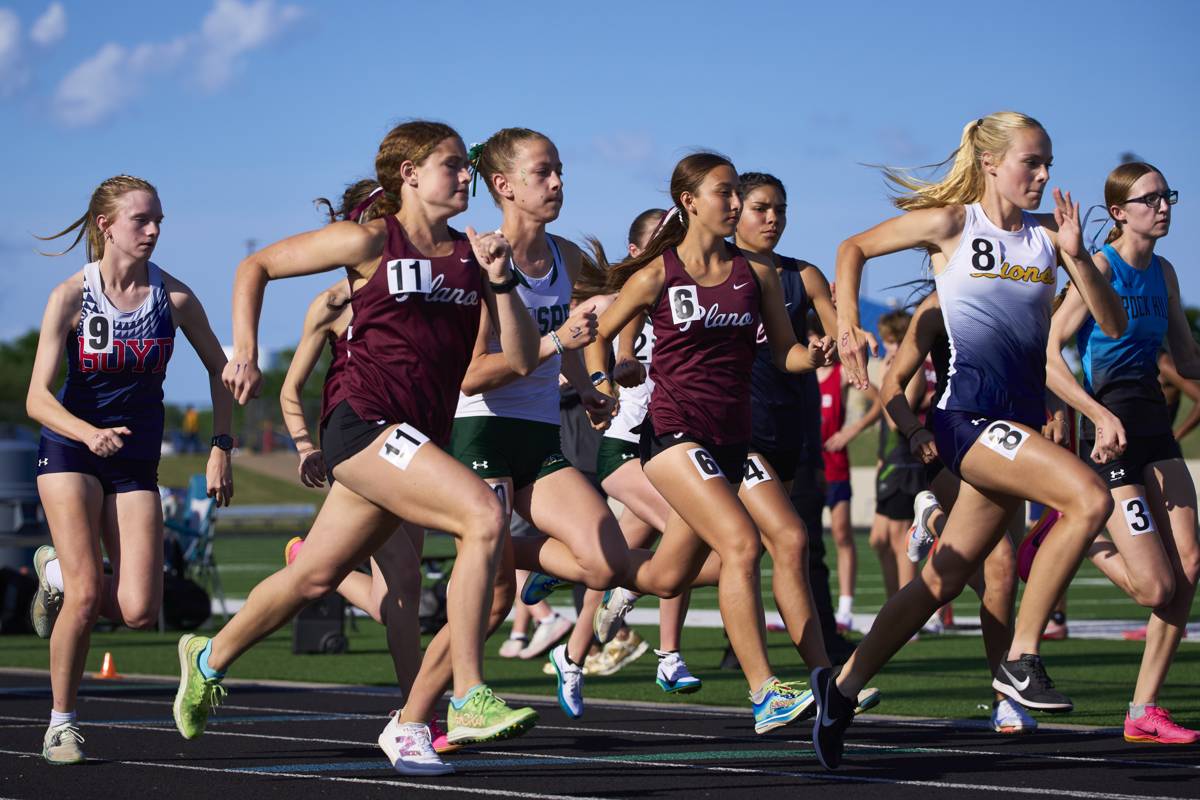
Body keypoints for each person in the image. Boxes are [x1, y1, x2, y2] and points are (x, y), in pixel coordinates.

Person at [171, 120, 547, 777]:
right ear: (409, 175)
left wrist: (503, 281)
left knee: (313, 576)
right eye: (453, 165)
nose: (467, 178)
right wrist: (247, 348)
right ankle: (466, 696)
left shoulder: (470, 255)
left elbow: (516, 360)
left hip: (411, 439)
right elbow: (255, 266)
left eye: (468, 168)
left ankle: (207, 658)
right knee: (483, 514)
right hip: (361, 424)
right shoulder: (371, 239)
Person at [814, 111, 1126, 770]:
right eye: (1029, 163)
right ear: (990, 163)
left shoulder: (1050, 237)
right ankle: (1019, 658)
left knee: (944, 577)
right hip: (967, 421)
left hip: (1018, 424)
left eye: (1048, 164)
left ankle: (839, 692)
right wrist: (848, 326)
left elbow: (1110, 318)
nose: (1042, 176)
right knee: (1089, 499)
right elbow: (852, 248)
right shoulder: (955, 224)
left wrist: (1077, 258)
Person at [398, 127, 646, 727]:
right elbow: (473, 376)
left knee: (604, 562)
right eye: (544, 173)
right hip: (479, 432)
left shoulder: (569, 256)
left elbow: (579, 335)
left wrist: (588, 383)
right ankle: (412, 721)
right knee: (488, 608)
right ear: (504, 186)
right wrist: (558, 342)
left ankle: (502, 553)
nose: (558, 182)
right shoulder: (481, 262)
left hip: (540, 436)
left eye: (560, 169)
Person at [588, 152, 836, 734]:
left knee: (666, 577)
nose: (732, 205)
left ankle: (589, 570)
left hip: (734, 440)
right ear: (689, 202)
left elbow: (785, 352)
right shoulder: (658, 275)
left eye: (734, 195)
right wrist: (605, 381)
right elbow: (596, 334)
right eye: (723, 194)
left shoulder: (760, 277)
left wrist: (814, 356)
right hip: (674, 437)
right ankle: (764, 692)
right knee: (743, 543)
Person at [26, 175, 234, 764]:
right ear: (106, 225)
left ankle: (57, 575)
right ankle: (61, 724)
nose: (153, 230)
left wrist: (221, 445)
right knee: (90, 593)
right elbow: (37, 398)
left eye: (159, 220)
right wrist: (86, 431)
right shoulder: (71, 295)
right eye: (141, 220)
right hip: (70, 448)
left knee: (141, 610)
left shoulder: (176, 298)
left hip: (136, 457)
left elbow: (223, 373)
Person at [1045, 162, 1199, 744]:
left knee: (1188, 565)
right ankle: (1082, 535)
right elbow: (1048, 352)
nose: (1163, 207)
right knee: (1156, 588)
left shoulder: (1164, 271)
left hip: (1155, 429)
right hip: (1108, 435)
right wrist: (1094, 414)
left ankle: (1143, 709)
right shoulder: (1101, 267)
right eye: (1150, 199)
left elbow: (1185, 361)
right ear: (1118, 212)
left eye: (1168, 197)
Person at [276, 179, 431, 720]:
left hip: (413, 447)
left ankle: (321, 565)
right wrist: (302, 447)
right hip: (362, 447)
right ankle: (420, 713)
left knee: (399, 602)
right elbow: (290, 388)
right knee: (408, 587)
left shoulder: (416, 294)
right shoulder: (331, 304)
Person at [882, 290, 1035, 734]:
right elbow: (896, 392)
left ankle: (931, 517)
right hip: (950, 448)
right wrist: (912, 430)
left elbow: (1042, 364)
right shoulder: (936, 309)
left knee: (1005, 576)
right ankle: (1004, 697)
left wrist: (1060, 408)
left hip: (1011, 445)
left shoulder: (1017, 292)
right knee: (999, 564)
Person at [577, 210, 701, 692]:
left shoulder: (689, 296)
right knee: (685, 534)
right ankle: (663, 650)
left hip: (669, 442)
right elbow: (599, 341)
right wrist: (605, 377)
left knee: (615, 558)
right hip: (626, 444)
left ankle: (586, 653)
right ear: (637, 252)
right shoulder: (624, 298)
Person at [816, 327, 880, 633]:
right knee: (801, 538)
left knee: (841, 534)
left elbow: (878, 398)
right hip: (805, 465)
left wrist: (851, 431)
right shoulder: (795, 373)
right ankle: (804, 607)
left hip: (835, 463)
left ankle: (845, 608)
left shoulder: (839, 374)